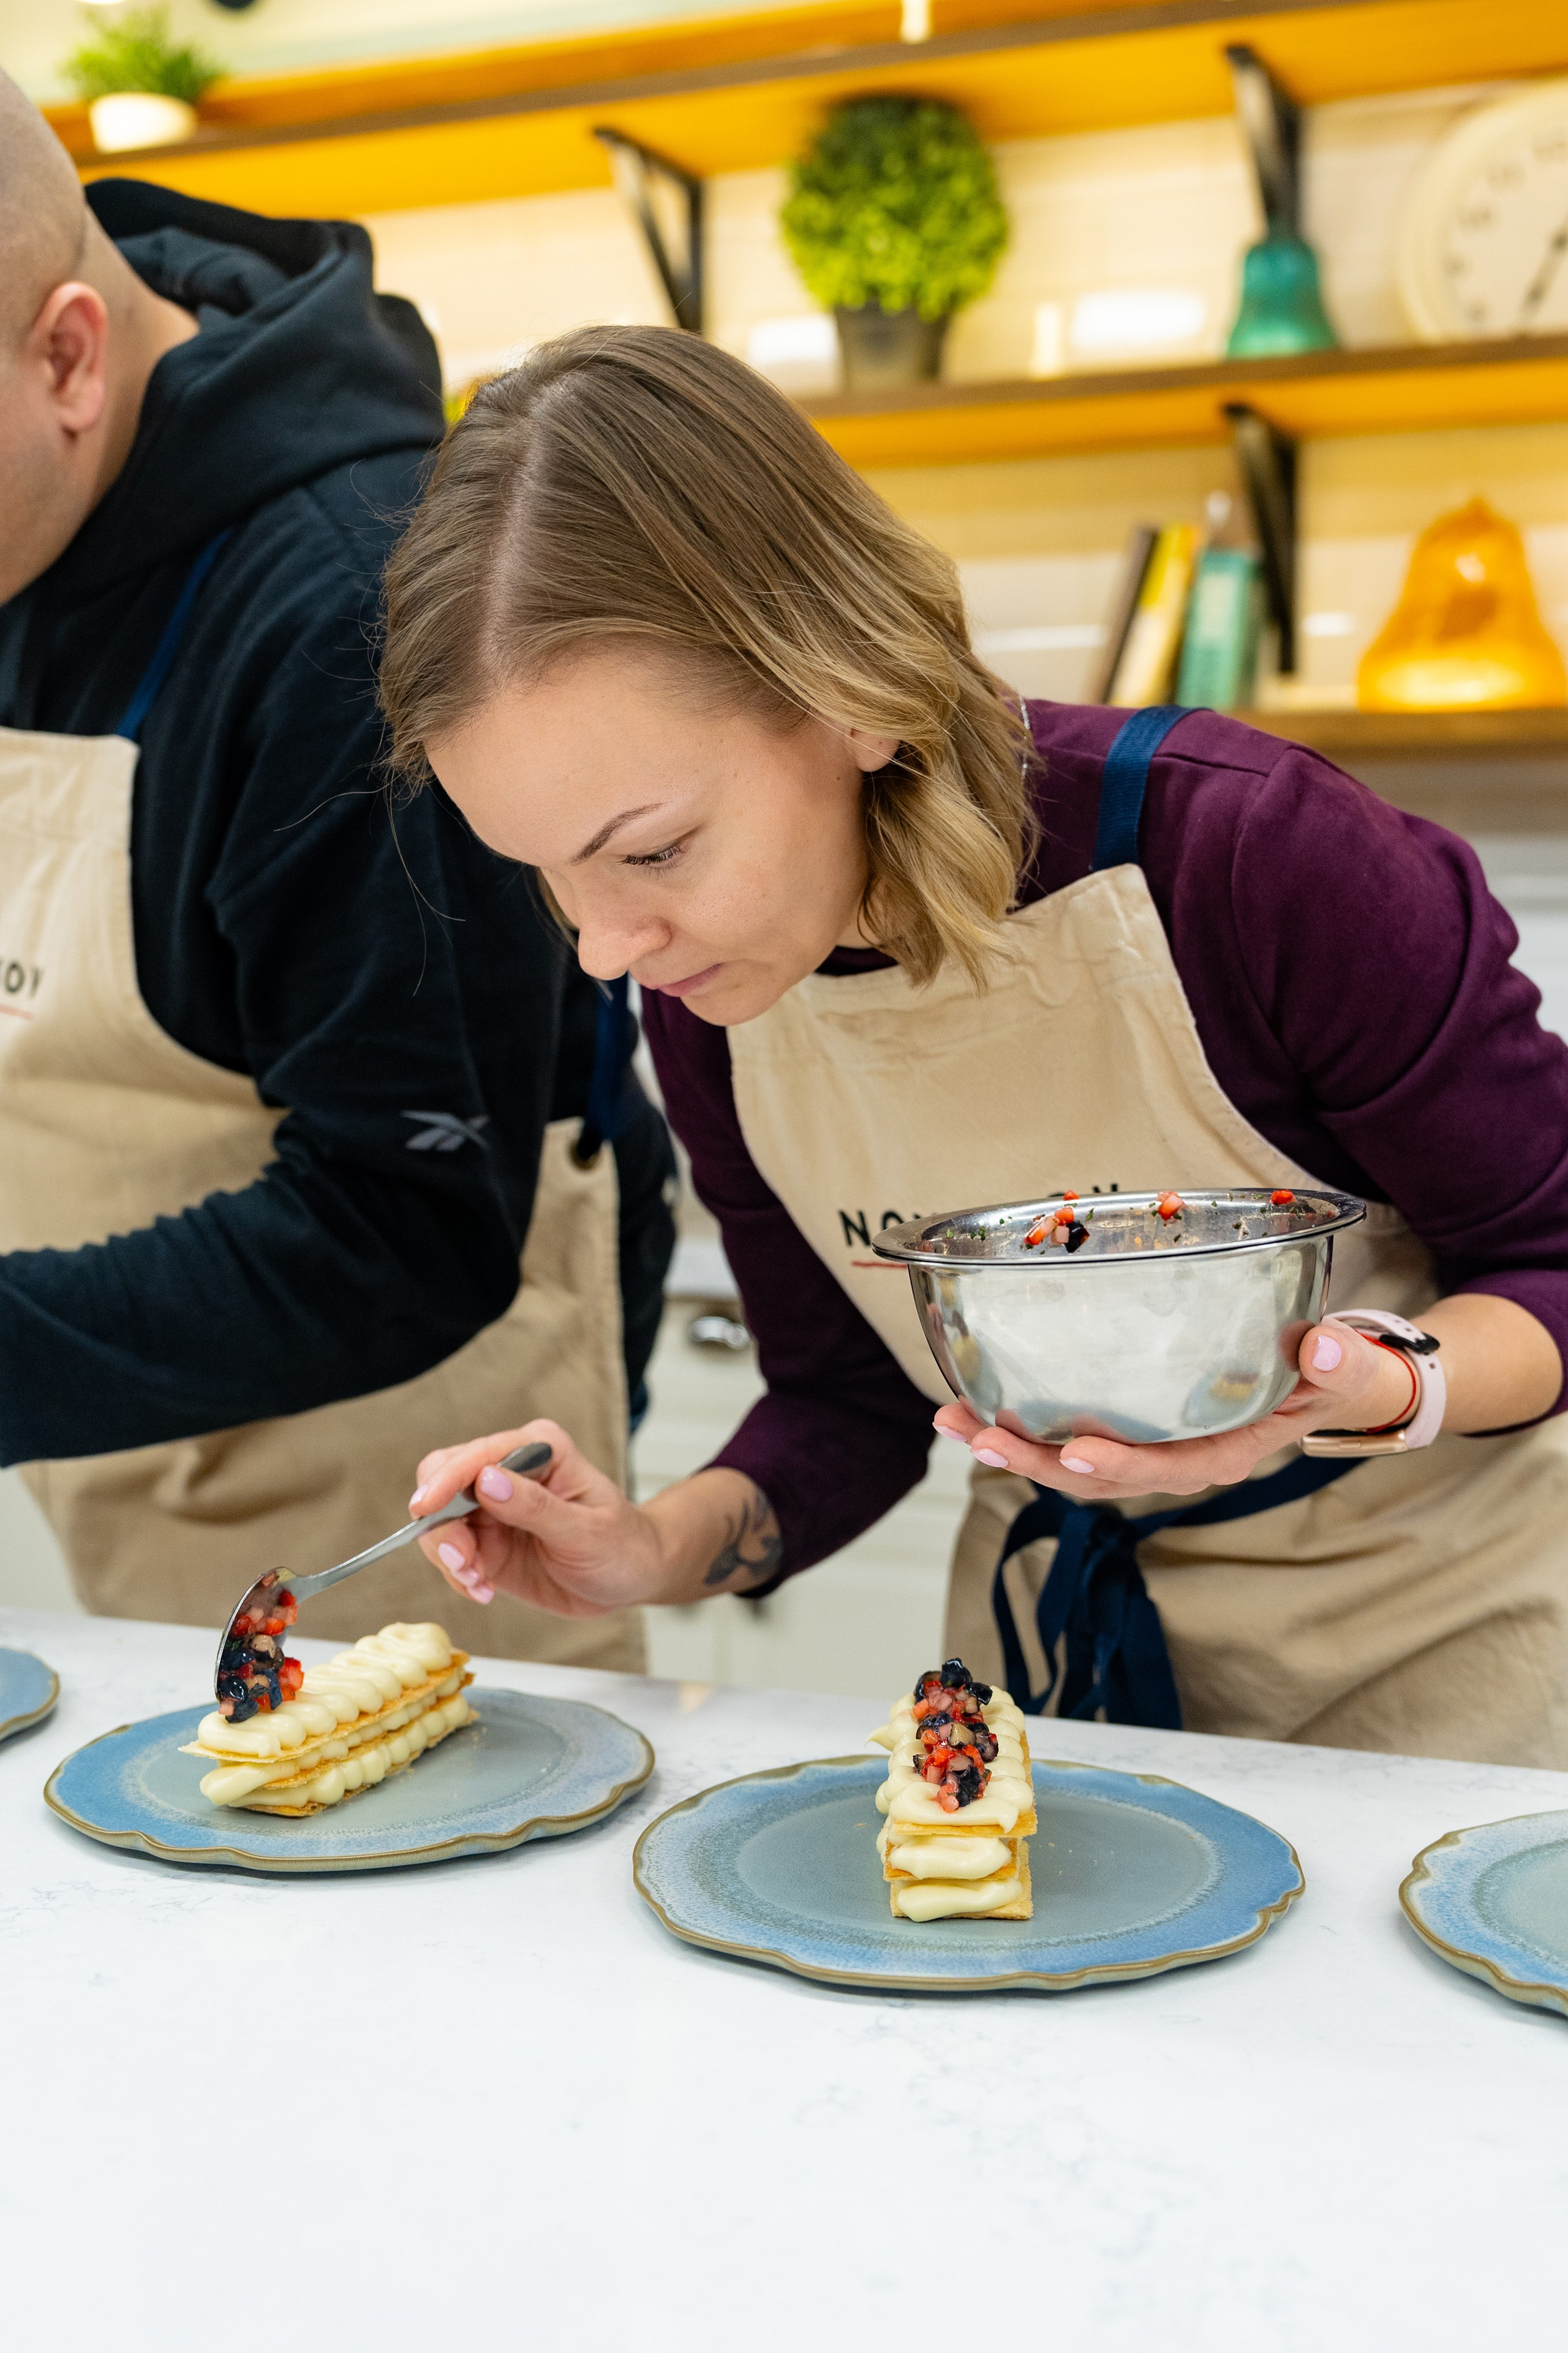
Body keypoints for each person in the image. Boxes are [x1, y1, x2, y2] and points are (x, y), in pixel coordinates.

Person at [386, 324, 1568, 1768]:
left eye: (655, 848)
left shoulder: (1251, 856)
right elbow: (845, 1401)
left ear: (853, 692)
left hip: (1442, 1664)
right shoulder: (714, 981)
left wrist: (1375, 1382)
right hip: (1043, 1675)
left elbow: (1549, 1259)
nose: (603, 946)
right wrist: (643, 1546)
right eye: (546, 873)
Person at [0, 83, 673, 1668]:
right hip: (128, 1469)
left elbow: (406, 1220)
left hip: (407, 1514)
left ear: (70, 356)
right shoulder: (31, 507)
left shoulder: (342, 610)